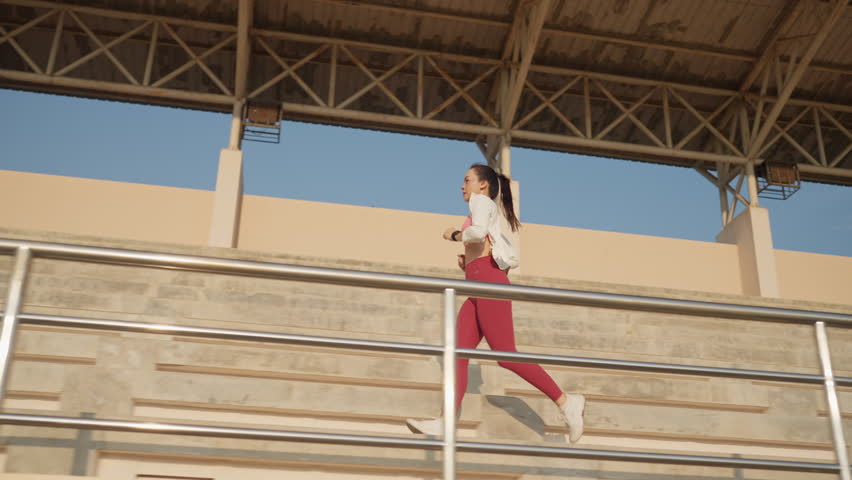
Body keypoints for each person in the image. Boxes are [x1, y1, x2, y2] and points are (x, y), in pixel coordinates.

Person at [406, 163, 586, 443]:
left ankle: (566, 402)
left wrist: (453, 235)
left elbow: (477, 233)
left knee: (505, 355)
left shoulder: (480, 202)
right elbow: (485, 244)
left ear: (483, 185)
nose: (462, 186)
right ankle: (446, 421)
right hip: (477, 286)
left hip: (488, 285)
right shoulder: (483, 206)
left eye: (467, 180)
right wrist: (469, 262)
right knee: (457, 355)